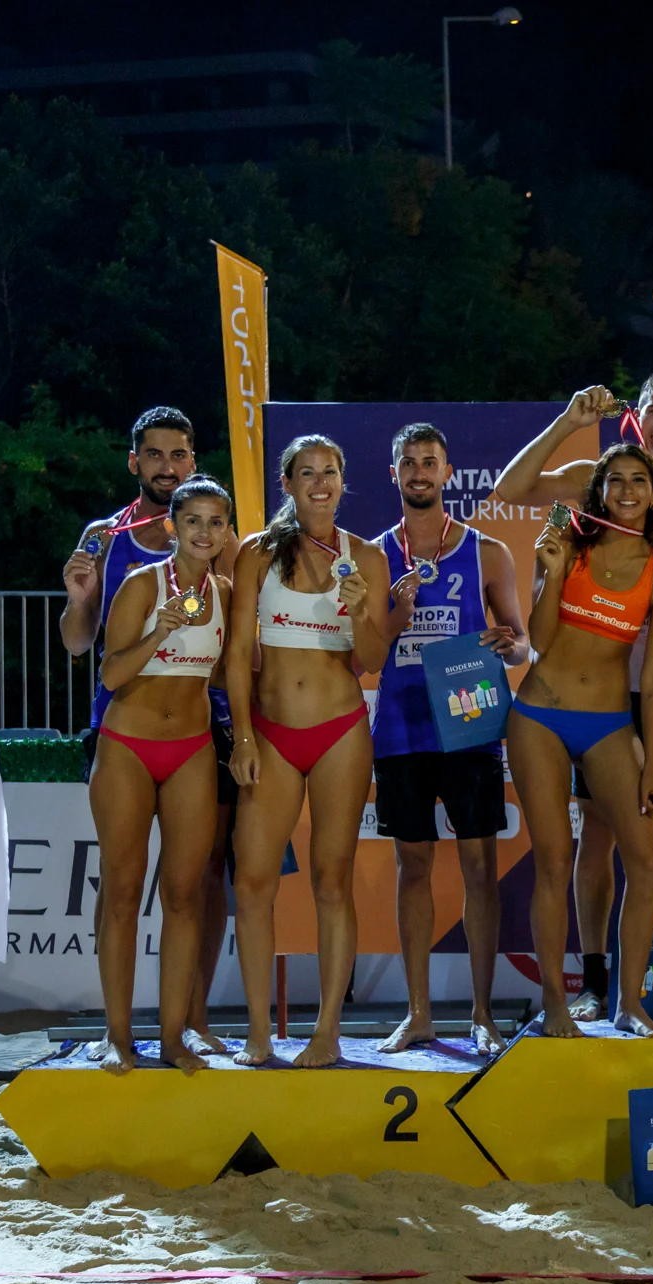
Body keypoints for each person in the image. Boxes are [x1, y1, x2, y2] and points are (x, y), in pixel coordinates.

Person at [496, 375, 653, 1022]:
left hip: (622, 715)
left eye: (638, 484)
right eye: (617, 482)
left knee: (649, 856)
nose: (626, 490)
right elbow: (512, 494)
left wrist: (648, 762)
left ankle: (637, 999)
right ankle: (562, 1000)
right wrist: (552, 573)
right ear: (636, 417)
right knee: (560, 857)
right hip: (543, 712)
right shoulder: (572, 522)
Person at [60, 406, 232, 1057]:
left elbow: (238, 648)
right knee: (124, 887)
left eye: (179, 454)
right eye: (154, 455)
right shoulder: (107, 538)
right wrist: (79, 602)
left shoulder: (217, 536)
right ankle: (118, 1034)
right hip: (123, 730)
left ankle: (189, 1023)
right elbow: (81, 646)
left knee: (197, 884)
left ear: (193, 460)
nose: (167, 465)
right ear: (135, 462)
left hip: (197, 733)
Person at [227, 436, 391, 1067]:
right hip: (269, 733)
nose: (320, 483)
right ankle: (261, 1034)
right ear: (288, 484)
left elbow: (372, 661)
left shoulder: (366, 557)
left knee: (331, 880)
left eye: (330, 472)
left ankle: (327, 1032)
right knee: (251, 883)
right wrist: (242, 735)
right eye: (307, 474)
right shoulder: (256, 554)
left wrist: (362, 617)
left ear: (343, 482)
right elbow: (238, 654)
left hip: (340, 732)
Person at [371, 423, 528, 1056]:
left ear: (447, 472)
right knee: (412, 868)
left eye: (429, 462)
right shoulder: (373, 556)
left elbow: (519, 638)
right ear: (394, 474)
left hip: (468, 724)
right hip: (403, 730)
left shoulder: (488, 552)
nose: (418, 472)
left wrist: (507, 643)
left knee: (479, 868)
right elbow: (362, 650)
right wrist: (395, 617)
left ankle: (483, 1013)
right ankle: (418, 1014)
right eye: (407, 462)